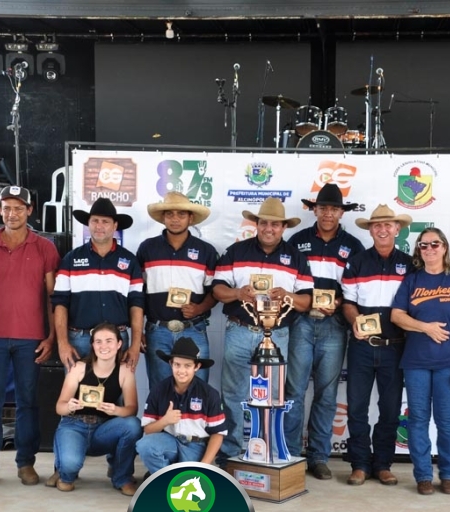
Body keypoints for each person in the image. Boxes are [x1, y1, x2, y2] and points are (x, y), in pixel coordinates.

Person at [0, 185, 60, 489]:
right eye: (6, 207)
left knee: (27, 402)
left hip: (31, 338)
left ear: (30, 210)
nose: (12, 213)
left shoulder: (44, 248)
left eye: (19, 208)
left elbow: (52, 295)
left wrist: (51, 336)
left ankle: (26, 463)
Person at [212, 197, 313, 462]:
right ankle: (232, 452)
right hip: (240, 329)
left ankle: (283, 453)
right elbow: (218, 290)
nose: (269, 228)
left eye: (275, 224)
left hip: (277, 333)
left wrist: (288, 296)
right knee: (233, 392)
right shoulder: (236, 252)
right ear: (256, 224)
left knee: (278, 396)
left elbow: (307, 301)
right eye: (264, 222)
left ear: (283, 227)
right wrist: (238, 293)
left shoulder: (296, 258)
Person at [283, 183, 365, 480]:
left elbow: (356, 287)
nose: (328, 213)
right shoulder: (297, 240)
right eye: (323, 208)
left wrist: (341, 303)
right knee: (293, 391)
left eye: (334, 208)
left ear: (341, 212)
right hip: (301, 321)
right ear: (313, 209)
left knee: (327, 394)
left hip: (334, 325)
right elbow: (288, 279)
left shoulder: (354, 245)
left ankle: (318, 456)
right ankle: (290, 455)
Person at [392, 228, 450, 496]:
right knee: (417, 419)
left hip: (449, 362)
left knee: (447, 420)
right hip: (416, 361)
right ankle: (424, 476)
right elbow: (397, 315)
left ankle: (449, 474)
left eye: (435, 244)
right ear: (419, 250)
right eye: (424, 245)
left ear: (444, 247)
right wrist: (424, 327)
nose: (429, 249)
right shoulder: (411, 280)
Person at [340, 204, 413, 487]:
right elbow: (348, 303)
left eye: (388, 225)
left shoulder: (410, 264)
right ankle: (359, 464)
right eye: (377, 225)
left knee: (391, 408)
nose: (382, 229)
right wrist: (355, 321)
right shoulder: (357, 262)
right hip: (361, 346)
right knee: (357, 406)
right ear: (370, 230)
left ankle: (383, 464)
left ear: (397, 229)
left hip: (395, 346)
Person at [137, 191, 218, 390]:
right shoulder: (147, 249)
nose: (175, 219)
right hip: (157, 331)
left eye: (181, 214)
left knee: (197, 389)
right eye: (170, 214)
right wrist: (138, 330)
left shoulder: (206, 251)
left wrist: (199, 309)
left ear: (191, 218)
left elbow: (215, 292)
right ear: (163, 217)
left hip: (194, 329)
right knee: (160, 390)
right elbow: (137, 293)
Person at [52, 197, 143, 371]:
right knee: (76, 395)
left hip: (117, 339)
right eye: (95, 221)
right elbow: (60, 303)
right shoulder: (71, 259)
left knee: (116, 395)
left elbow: (137, 305)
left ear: (115, 226)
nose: (99, 226)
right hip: (78, 339)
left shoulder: (130, 261)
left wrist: (135, 346)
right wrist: (62, 343)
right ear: (88, 223)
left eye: (105, 222)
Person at [51, 322, 142, 495]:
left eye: (109, 341)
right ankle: (65, 472)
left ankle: (122, 477)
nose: (104, 346)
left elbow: (132, 409)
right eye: (98, 342)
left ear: (119, 344)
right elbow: (59, 407)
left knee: (133, 425)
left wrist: (115, 410)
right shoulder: (78, 368)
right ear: (92, 345)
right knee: (69, 472)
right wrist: (69, 406)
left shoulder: (125, 371)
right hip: (74, 425)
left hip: (103, 429)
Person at [136, 337, 227, 473]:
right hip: (170, 441)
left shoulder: (209, 394)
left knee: (190, 483)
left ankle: (164, 476)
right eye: (177, 365)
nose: (181, 371)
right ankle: (165, 480)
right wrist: (165, 421)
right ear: (171, 364)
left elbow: (218, 434)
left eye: (187, 366)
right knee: (144, 445)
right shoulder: (159, 390)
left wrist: (204, 465)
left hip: (196, 445)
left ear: (197, 367)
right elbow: (148, 430)